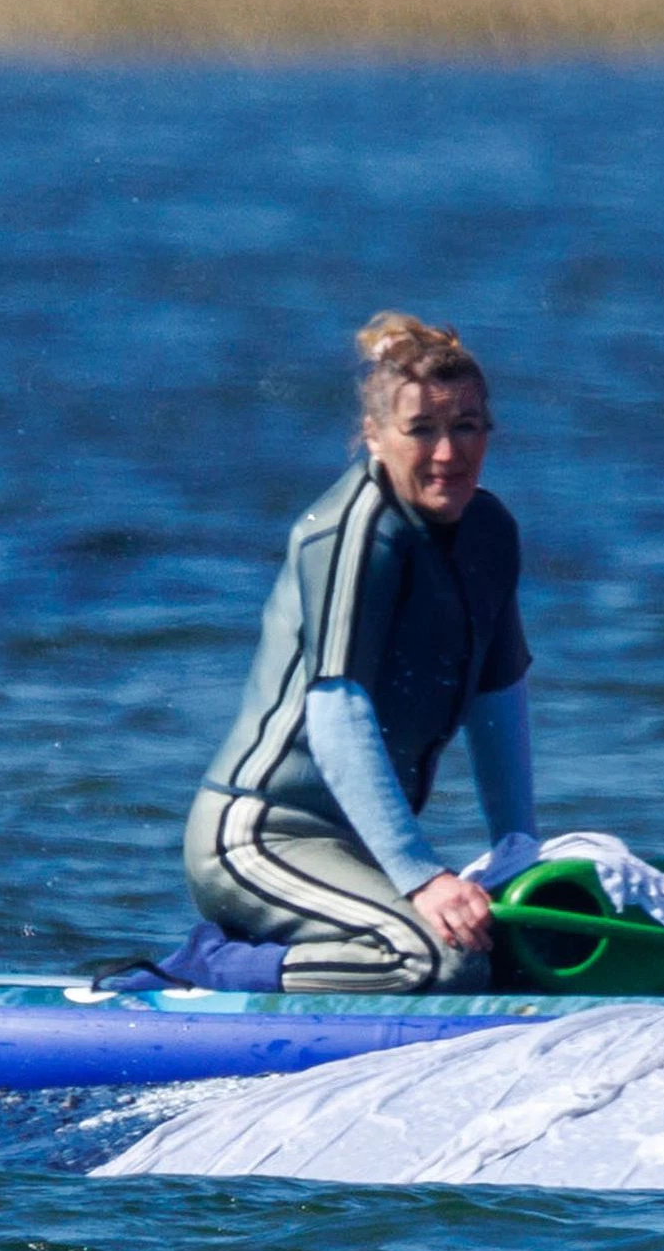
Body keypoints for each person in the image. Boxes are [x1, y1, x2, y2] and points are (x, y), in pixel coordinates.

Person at [185, 313, 538, 994]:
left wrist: (518, 853)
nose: (447, 453)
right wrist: (421, 877)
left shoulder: (490, 531)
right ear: (374, 436)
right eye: (421, 430)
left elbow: (498, 702)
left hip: (356, 850)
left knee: (509, 956)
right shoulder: (355, 533)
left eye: (466, 426)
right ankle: (217, 968)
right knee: (438, 962)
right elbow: (336, 714)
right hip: (258, 838)